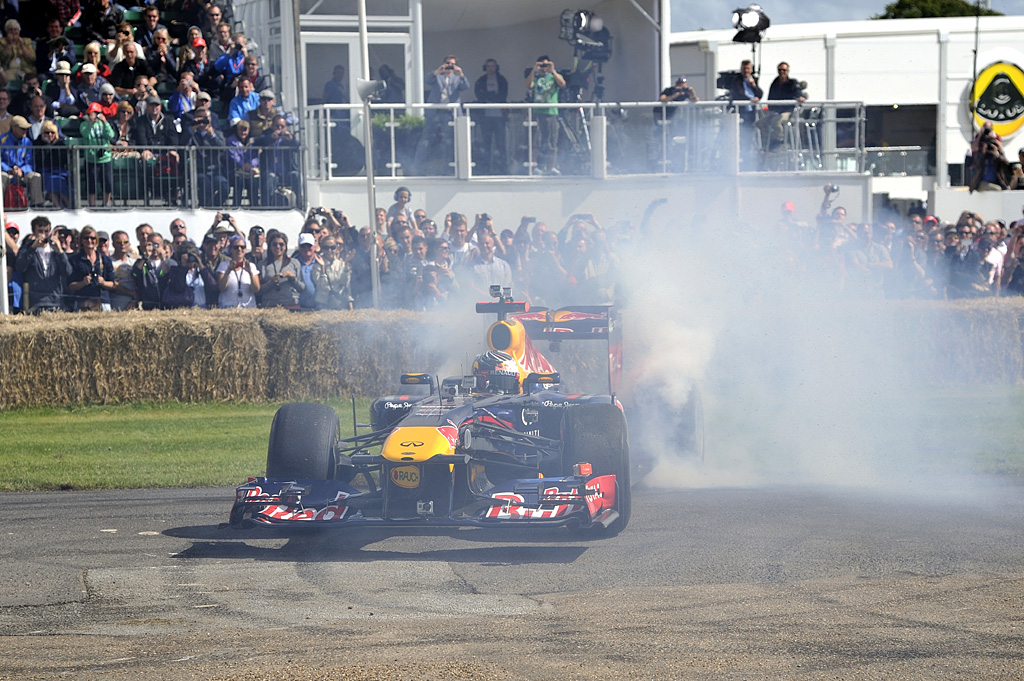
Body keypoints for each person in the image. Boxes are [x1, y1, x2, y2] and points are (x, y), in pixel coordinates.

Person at [413, 54, 468, 174]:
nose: (450, 66)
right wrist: (438, 71)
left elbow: (465, 86)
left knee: (448, 140)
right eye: (448, 63)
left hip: (450, 113)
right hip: (436, 112)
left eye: (452, 64)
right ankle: (418, 165)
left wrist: (461, 74)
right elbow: (427, 80)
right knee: (427, 138)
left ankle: (448, 166)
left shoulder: (457, 77)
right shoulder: (438, 76)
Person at [14, 214, 71, 313]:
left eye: (46, 231)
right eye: (40, 231)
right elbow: (20, 267)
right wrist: (32, 248)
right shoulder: (26, 249)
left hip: (55, 301)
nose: (44, 235)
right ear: (34, 232)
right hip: (35, 302)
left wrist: (60, 252)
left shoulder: (55, 249)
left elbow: (67, 272)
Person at [526, 55, 565, 175]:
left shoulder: (554, 77)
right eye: (542, 65)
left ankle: (551, 167)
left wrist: (552, 70)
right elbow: (528, 85)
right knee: (536, 140)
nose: (544, 68)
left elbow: (562, 84)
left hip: (552, 112)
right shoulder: (536, 77)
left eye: (546, 65)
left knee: (552, 141)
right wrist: (534, 69)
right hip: (538, 112)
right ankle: (534, 166)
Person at [184, 109, 229, 206]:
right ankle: (204, 206)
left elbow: (222, 148)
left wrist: (212, 135)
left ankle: (215, 205)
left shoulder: (217, 133)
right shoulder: (192, 134)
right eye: (200, 118)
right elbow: (183, 144)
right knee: (205, 185)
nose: (202, 121)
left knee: (224, 187)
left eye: (205, 118)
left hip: (215, 170)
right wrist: (191, 129)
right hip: (199, 169)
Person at [67, 225, 115, 311]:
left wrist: (103, 282)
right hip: (82, 302)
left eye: (92, 238)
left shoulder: (105, 259)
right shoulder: (74, 260)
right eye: (86, 238)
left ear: (96, 240)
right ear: (81, 240)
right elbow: (70, 285)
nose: (89, 240)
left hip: (102, 301)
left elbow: (113, 284)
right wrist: (83, 283)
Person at [473, 58, 508, 175]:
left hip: (499, 116)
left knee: (501, 144)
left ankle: (503, 169)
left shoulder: (502, 80)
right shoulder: (481, 80)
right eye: (488, 66)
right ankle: (485, 169)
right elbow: (479, 95)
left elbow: (503, 95)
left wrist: (491, 97)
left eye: (492, 66)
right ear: (485, 67)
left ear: (496, 67)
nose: (490, 68)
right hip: (485, 116)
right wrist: (492, 95)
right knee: (486, 144)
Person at [1, 115, 43, 207]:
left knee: (36, 176)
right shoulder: (2, 140)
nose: (25, 131)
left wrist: (21, 170)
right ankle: (2, 206)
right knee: (1, 177)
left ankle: (37, 206)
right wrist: (10, 170)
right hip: (7, 172)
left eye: (26, 129)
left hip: (22, 173)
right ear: (14, 128)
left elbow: (30, 162)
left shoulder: (27, 142)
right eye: (22, 128)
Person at [79, 101, 115, 207]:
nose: (94, 115)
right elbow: (85, 134)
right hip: (91, 159)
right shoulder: (84, 125)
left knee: (108, 183)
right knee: (92, 184)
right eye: (92, 113)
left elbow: (111, 135)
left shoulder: (103, 124)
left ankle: (106, 203)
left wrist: (105, 122)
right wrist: (90, 123)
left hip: (105, 158)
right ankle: (92, 204)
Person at [257, 231, 301, 307]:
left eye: (281, 244)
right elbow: (258, 291)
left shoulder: (294, 263)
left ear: (285, 246)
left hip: (291, 306)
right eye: (274, 244)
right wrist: (271, 283)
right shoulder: (262, 264)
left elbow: (302, 288)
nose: (278, 247)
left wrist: (293, 278)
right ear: (270, 246)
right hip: (269, 307)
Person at [33, 120, 71, 208]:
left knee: (61, 179)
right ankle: (58, 205)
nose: (50, 135)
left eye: (52, 132)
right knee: (52, 180)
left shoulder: (60, 143)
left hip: (59, 169)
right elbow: (39, 160)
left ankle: (67, 205)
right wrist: (47, 145)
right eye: (46, 132)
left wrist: (55, 145)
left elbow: (63, 160)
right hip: (44, 170)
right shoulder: (37, 143)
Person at [216, 234, 259, 307]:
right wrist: (228, 271)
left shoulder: (251, 266)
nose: (239, 249)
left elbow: (256, 289)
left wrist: (250, 273)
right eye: (236, 247)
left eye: (242, 247)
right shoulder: (223, 266)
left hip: (248, 307)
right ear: (231, 249)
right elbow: (222, 288)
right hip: (228, 307)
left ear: (245, 249)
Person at [314, 234, 353, 310]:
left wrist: (346, 266)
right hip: (322, 305)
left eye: (332, 247)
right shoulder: (317, 266)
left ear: (336, 249)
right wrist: (322, 268)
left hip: (338, 303)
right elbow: (322, 286)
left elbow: (346, 284)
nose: (329, 250)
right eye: (326, 248)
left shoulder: (341, 264)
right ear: (322, 248)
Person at [0, 19, 35, 85]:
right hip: (8, 70)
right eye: (10, 30)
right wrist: (9, 44)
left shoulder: (26, 41)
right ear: (6, 31)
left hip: (25, 70)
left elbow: (32, 58)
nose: (13, 32)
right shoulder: (2, 42)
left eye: (15, 29)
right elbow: (4, 58)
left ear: (19, 31)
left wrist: (22, 46)